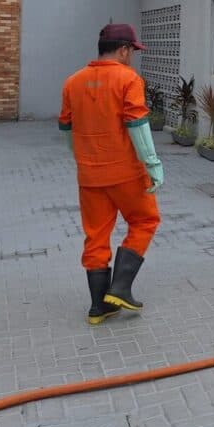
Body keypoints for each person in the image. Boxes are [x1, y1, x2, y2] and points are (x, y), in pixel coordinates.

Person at [59, 23, 163, 325]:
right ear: (124, 50)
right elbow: (136, 124)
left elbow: (66, 127)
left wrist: (81, 158)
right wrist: (153, 164)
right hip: (126, 173)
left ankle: (97, 306)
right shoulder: (128, 79)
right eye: (132, 51)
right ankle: (119, 288)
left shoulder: (72, 82)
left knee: (96, 235)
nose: (132, 57)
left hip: (89, 176)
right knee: (145, 220)